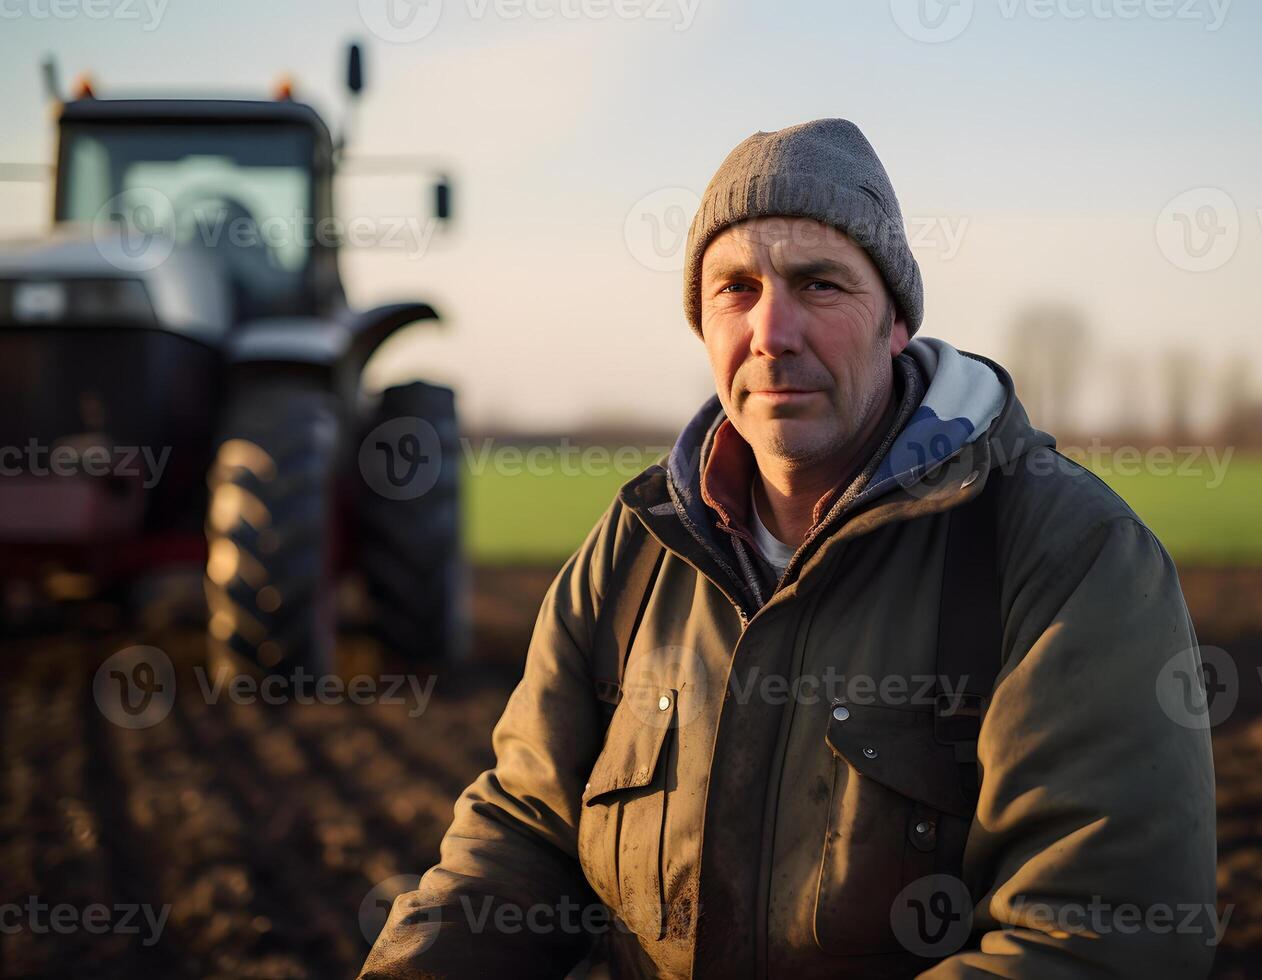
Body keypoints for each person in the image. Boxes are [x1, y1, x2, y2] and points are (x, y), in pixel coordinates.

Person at [362, 117, 1217, 979]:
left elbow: (1095, 940)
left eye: (818, 284)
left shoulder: (1066, 557)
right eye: (736, 288)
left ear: (894, 322)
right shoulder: (635, 552)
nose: (773, 332)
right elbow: (522, 833)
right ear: (703, 326)